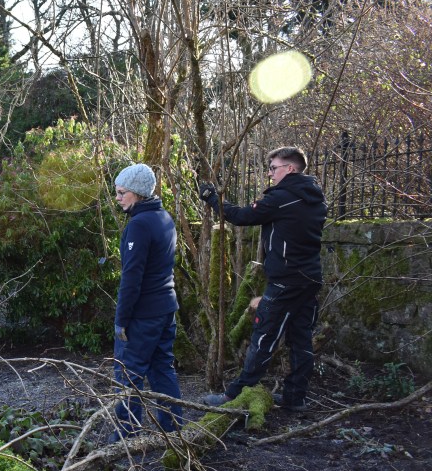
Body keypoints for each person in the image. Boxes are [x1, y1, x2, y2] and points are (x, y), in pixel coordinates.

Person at [198, 146, 327, 411]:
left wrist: (212, 198)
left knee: (263, 336)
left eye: (273, 168)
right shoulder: (315, 198)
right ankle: (295, 398)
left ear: (290, 168)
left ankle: (235, 396)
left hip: (285, 281)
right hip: (309, 278)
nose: (270, 174)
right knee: (301, 338)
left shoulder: (283, 198)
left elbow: (240, 216)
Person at [110, 163, 183, 441]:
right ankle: (174, 432)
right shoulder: (163, 217)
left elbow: (132, 278)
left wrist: (121, 320)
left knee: (128, 375)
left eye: (122, 192)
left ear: (138, 192)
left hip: (143, 315)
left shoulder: (139, 225)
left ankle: (126, 438)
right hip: (166, 308)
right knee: (162, 369)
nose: (117, 198)